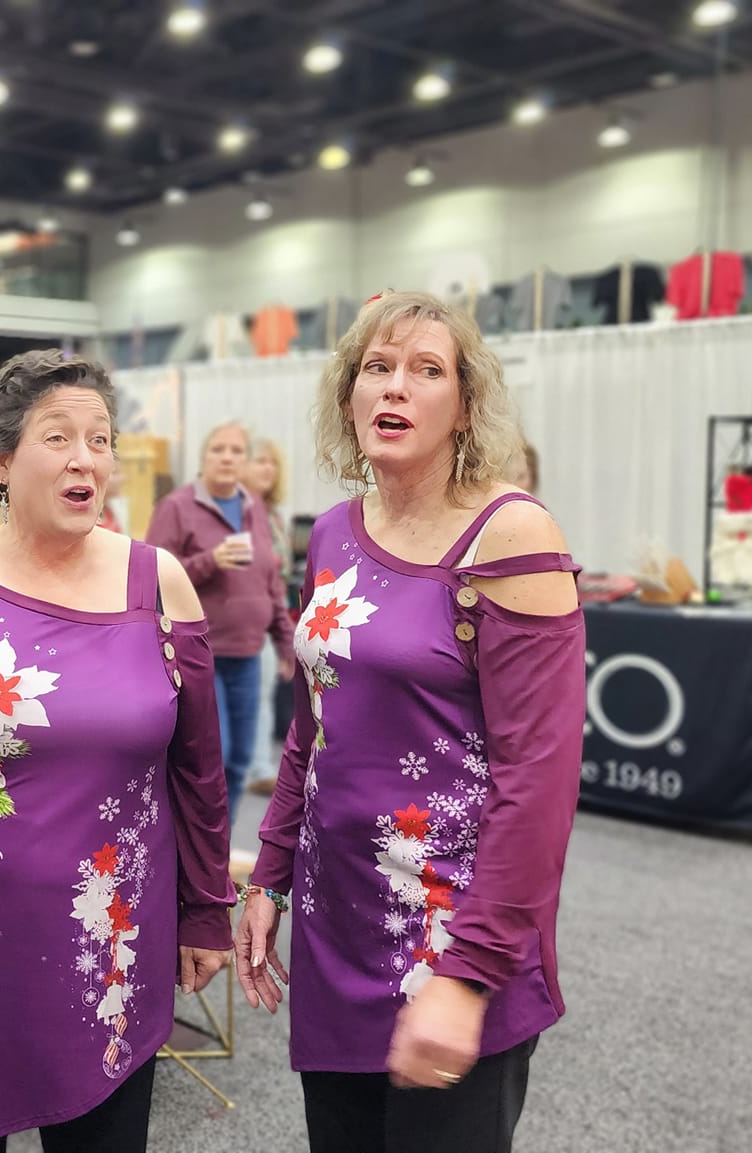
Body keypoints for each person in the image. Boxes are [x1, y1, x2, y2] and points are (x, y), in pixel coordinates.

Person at [232, 291, 584, 1153]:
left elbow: (537, 779)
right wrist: (269, 874)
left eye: (428, 370)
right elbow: (313, 731)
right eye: (377, 369)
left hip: (453, 927)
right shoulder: (337, 533)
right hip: (337, 916)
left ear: (464, 405)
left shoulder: (512, 535)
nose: (396, 387)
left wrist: (468, 975)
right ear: (349, 396)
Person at [0, 350, 236, 1153]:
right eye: (58, 436)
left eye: (100, 440)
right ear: (3, 460)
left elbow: (199, 769)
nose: (86, 459)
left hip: (110, 936)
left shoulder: (158, 580)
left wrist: (206, 907)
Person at [145, 421, 293, 822]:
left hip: (247, 654)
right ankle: (197, 852)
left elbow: (271, 582)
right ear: (203, 457)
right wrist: (211, 561)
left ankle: (217, 856)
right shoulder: (177, 508)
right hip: (198, 655)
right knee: (214, 757)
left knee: (241, 761)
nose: (227, 458)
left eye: (236, 451)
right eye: (218, 450)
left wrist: (285, 640)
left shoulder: (255, 510)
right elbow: (151, 576)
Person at [243, 436, 296, 797]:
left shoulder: (274, 517)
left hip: (265, 621)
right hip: (232, 623)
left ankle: (258, 767)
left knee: (261, 695)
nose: (268, 469)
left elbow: (281, 573)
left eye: (272, 462)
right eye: (260, 461)